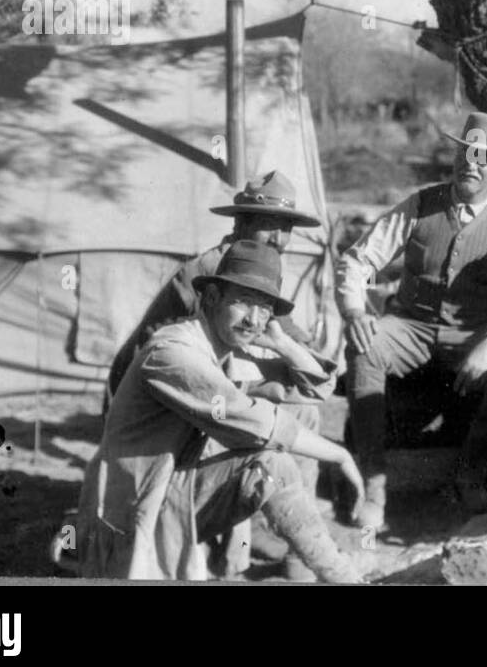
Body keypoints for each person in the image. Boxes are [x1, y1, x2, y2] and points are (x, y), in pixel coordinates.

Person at [77, 240, 366, 582]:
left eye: (264, 308)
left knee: (272, 464)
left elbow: (316, 388)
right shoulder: (173, 352)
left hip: (174, 495)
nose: (253, 320)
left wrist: (281, 343)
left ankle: (342, 577)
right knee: (273, 460)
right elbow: (257, 421)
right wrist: (340, 455)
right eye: (243, 301)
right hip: (130, 513)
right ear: (211, 297)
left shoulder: (225, 347)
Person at [337, 112, 487, 530]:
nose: (471, 163)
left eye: (485, 157)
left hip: (472, 334)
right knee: (365, 345)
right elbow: (358, 259)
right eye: (466, 151)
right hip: (410, 327)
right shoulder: (420, 204)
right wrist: (355, 309)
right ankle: (374, 483)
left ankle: (473, 471)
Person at [105, 171, 334, 405]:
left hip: (187, 373)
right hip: (145, 388)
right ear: (241, 224)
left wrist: (302, 348)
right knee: (285, 394)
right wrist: (304, 352)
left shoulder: (256, 264)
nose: (278, 239)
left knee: (296, 400)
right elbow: (279, 328)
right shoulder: (220, 268)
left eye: (285, 229)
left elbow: (278, 325)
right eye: (267, 226)